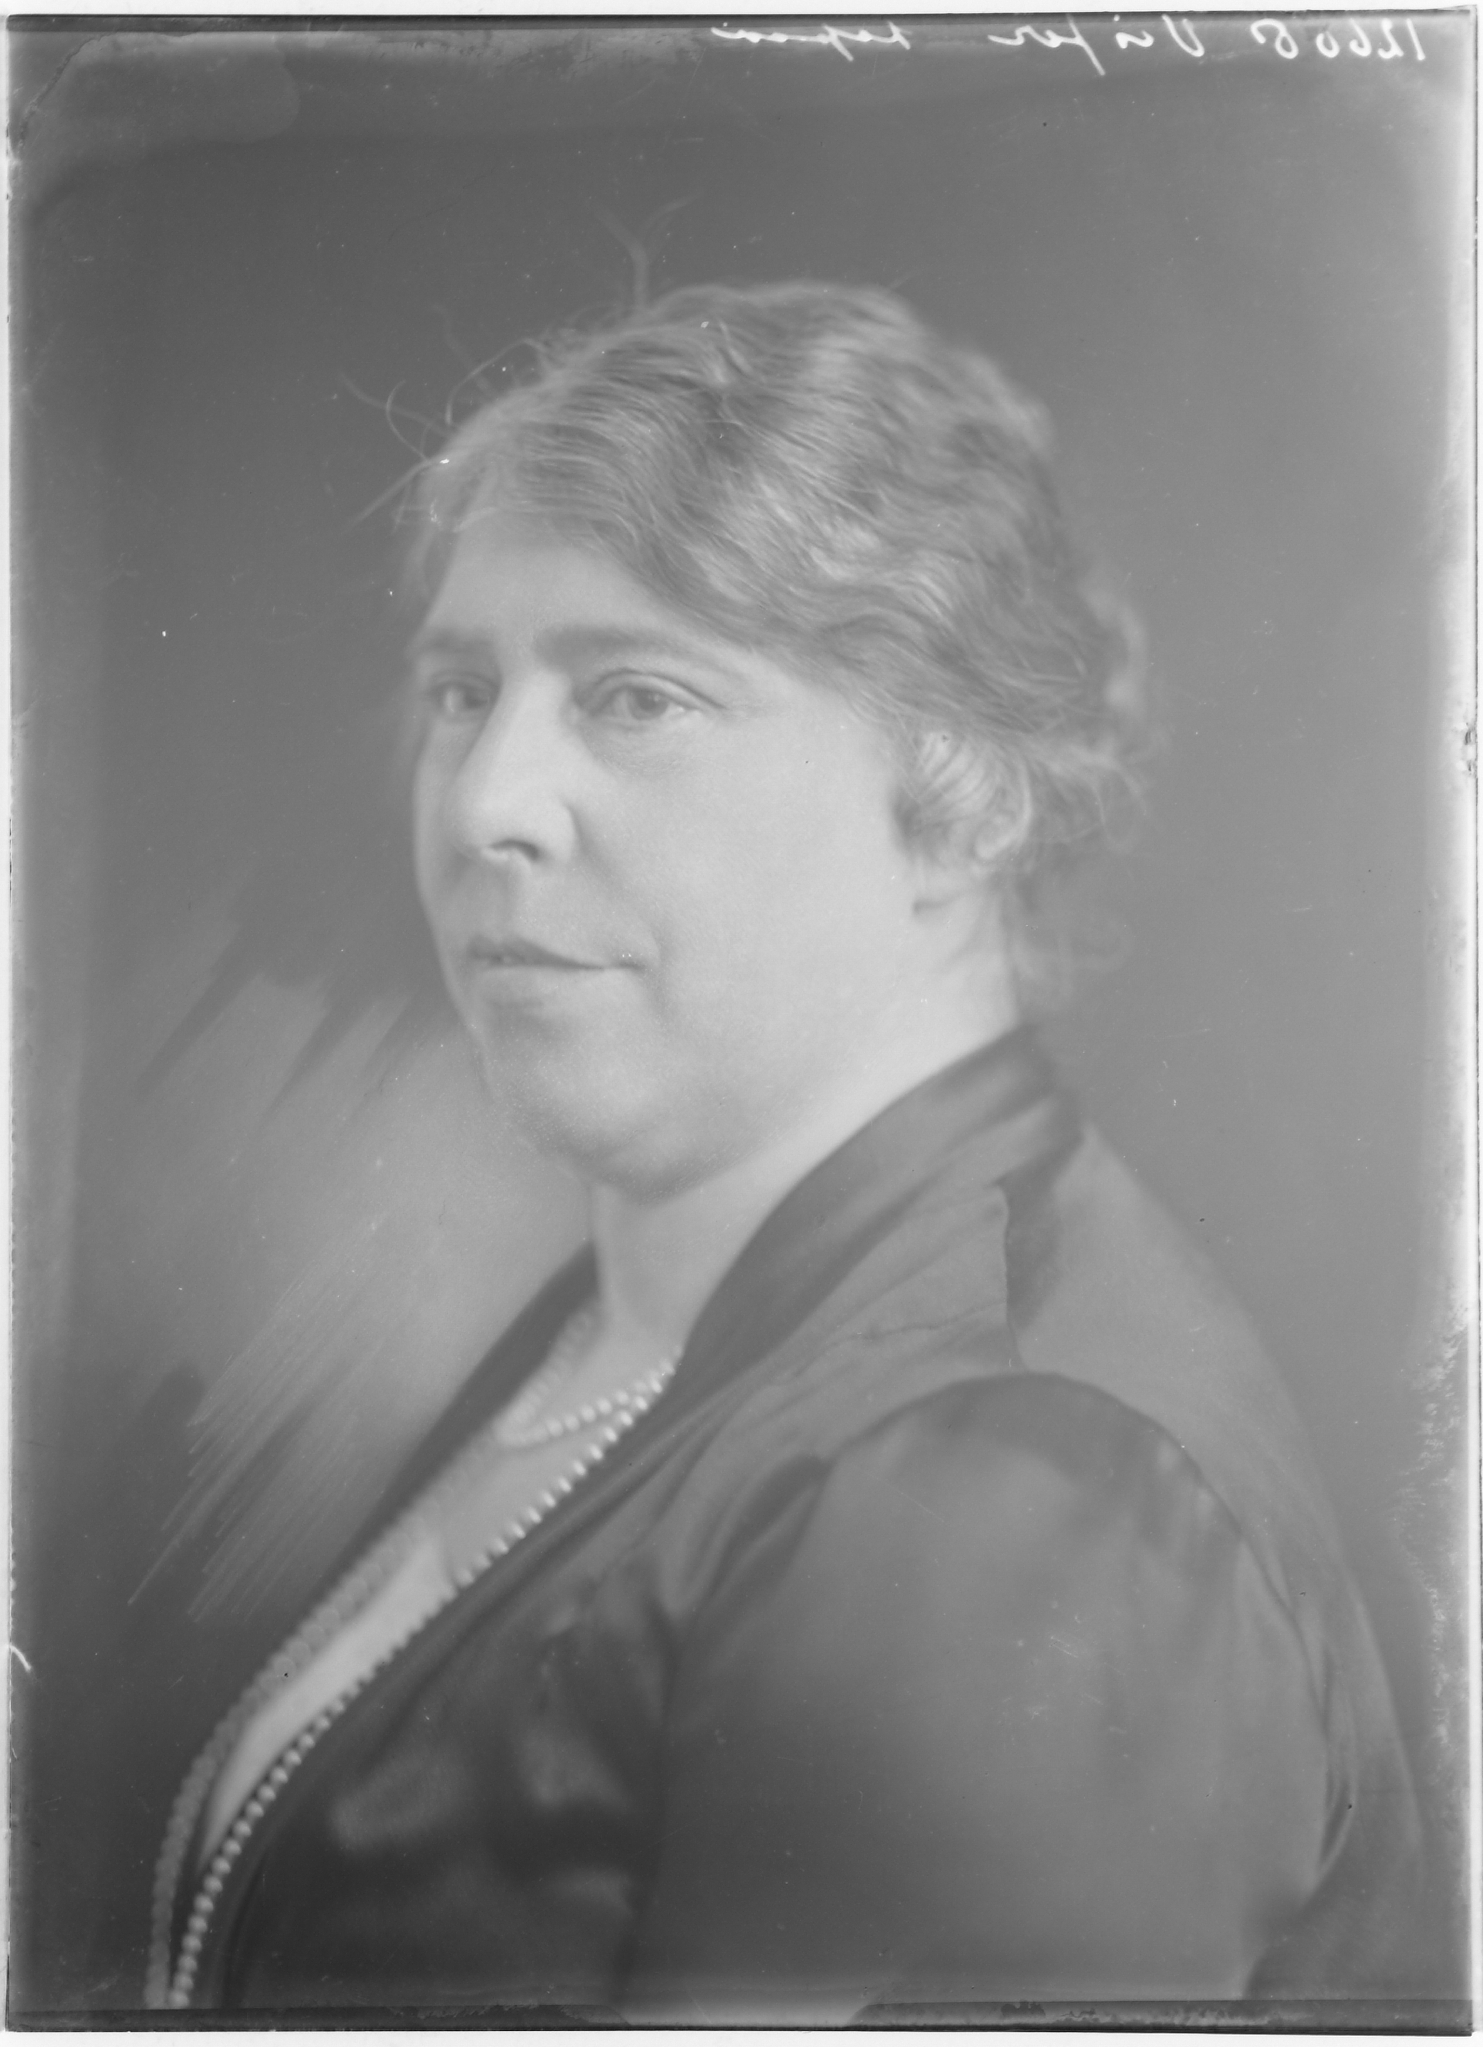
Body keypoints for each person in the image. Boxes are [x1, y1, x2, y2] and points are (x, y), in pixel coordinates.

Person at [146, 281, 1423, 2019]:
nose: (488, 802)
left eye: (637, 696)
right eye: (462, 688)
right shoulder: (651, 1315)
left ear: (957, 797)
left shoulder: (1008, 1491)